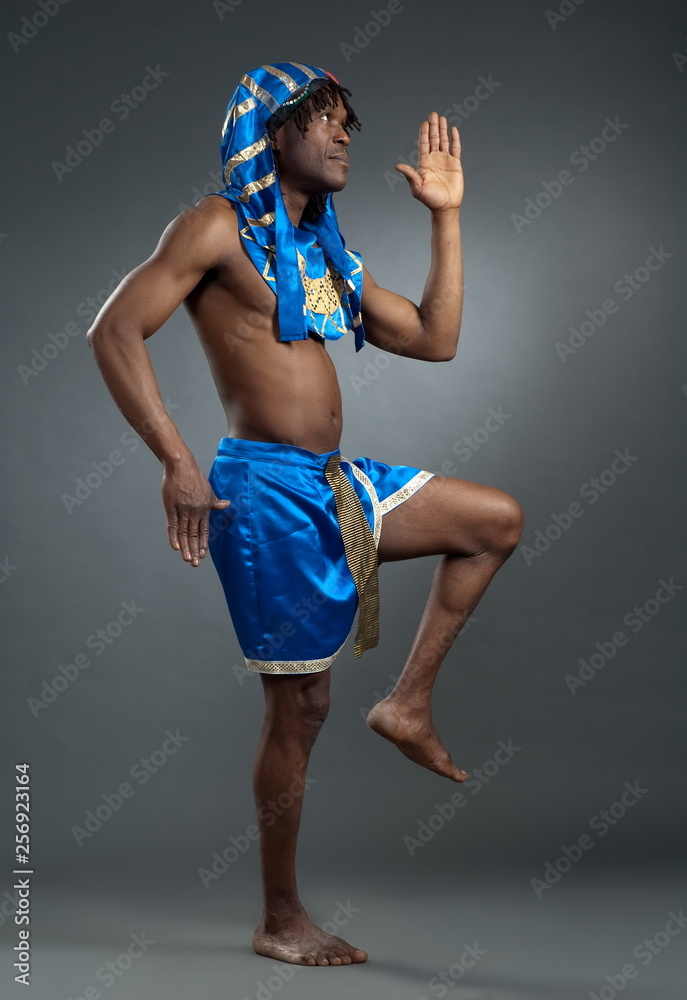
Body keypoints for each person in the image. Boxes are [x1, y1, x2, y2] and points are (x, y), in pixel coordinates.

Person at [86, 61, 524, 968]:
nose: (342, 134)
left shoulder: (320, 249)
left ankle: (407, 703)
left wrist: (445, 217)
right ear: (270, 134)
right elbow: (114, 330)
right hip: (262, 491)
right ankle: (280, 918)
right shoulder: (215, 226)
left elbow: (435, 340)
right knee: (302, 706)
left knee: (492, 521)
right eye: (320, 118)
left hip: (331, 480)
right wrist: (175, 459)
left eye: (345, 121)